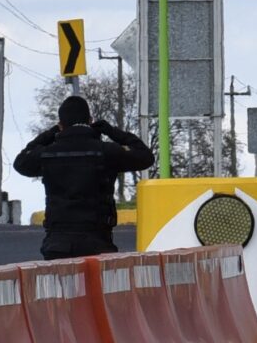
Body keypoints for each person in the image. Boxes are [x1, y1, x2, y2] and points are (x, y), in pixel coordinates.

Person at [13, 96, 153, 260]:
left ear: (61, 124)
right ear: (90, 120)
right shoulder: (106, 151)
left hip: (57, 244)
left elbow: (20, 162)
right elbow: (145, 157)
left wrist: (50, 134)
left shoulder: (47, 154)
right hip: (98, 242)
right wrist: (111, 131)